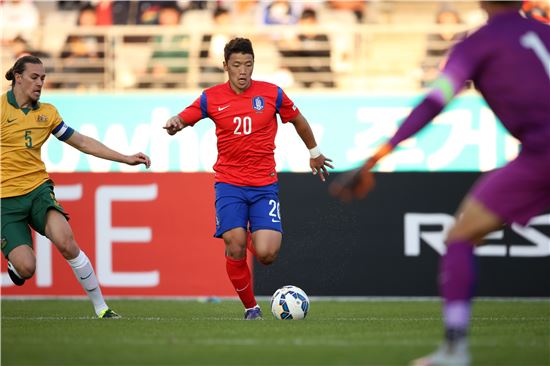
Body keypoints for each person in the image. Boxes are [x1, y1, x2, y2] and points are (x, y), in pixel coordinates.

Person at [330, 1, 550, 365]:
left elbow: (434, 101)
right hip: (537, 154)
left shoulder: (478, 43)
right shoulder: (544, 31)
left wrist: (374, 158)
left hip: (541, 155)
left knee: (459, 238)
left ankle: (455, 348)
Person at [164, 37, 333, 320]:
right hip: (229, 183)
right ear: (226, 67)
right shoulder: (211, 97)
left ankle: (254, 238)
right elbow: (186, 116)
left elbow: (299, 120)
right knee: (234, 242)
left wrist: (314, 152)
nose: (243, 71)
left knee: (267, 254)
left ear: (254, 65)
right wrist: (176, 122)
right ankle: (251, 308)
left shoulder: (272, 94)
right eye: (236, 65)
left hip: (264, 185)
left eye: (248, 64)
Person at [1, 55, 151, 318]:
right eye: (34, 77)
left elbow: (82, 142)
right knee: (27, 268)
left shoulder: (47, 113)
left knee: (66, 241)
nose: (40, 83)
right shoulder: (1, 109)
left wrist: (125, 158)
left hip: (37, 191)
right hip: (5, 201)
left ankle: (101, 307)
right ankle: (16, 266)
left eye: (43, 78)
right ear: (18, 77)